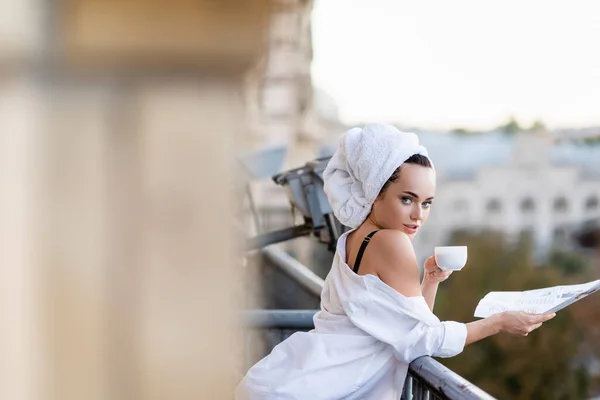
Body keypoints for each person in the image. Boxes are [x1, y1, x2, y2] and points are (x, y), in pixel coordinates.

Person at [235, 123, 555, 399]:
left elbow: (409, 328)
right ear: (375, 193)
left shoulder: (352, 238)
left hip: (293, 378)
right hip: (308, 390)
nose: (418, 215)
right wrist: (498, 323)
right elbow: (426, 340)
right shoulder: (393, 242)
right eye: (407, 199)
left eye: (427, 203)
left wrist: (428, 281)